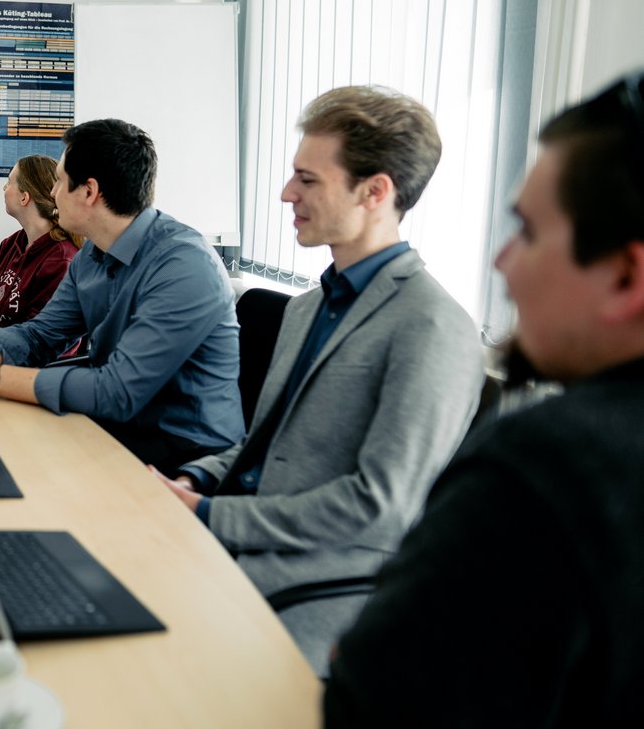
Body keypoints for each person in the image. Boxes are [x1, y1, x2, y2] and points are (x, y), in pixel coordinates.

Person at [322, 72, 644, 725]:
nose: (501, 261)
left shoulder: (542, 469)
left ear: (625, 275)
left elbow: (375, 703)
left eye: (526, 230)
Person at [151, 86, 483, 675]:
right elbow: (270, 448)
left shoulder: (433, 327)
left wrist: (208, 515)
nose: (286, 194)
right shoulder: (307, 307)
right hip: (238, 541)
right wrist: (197, 475)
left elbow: (379, 507)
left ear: (375, 191)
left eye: (307, 180)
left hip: (319, 583)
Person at [0, 118, 243, 469]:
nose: (53, 193)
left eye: (59, 181)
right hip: (119, 425)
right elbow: (41, 336)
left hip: (185, 450)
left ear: (89, 192)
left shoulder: (184, 267)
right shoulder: (93, 253)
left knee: (17, 463)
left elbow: (116, 392)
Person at [0, 154, 81, 335]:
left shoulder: (60, 260)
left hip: (14, 358)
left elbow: (38, 338)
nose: (4, 188)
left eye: (9, 182)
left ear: (24, 198)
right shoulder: (11, 243)